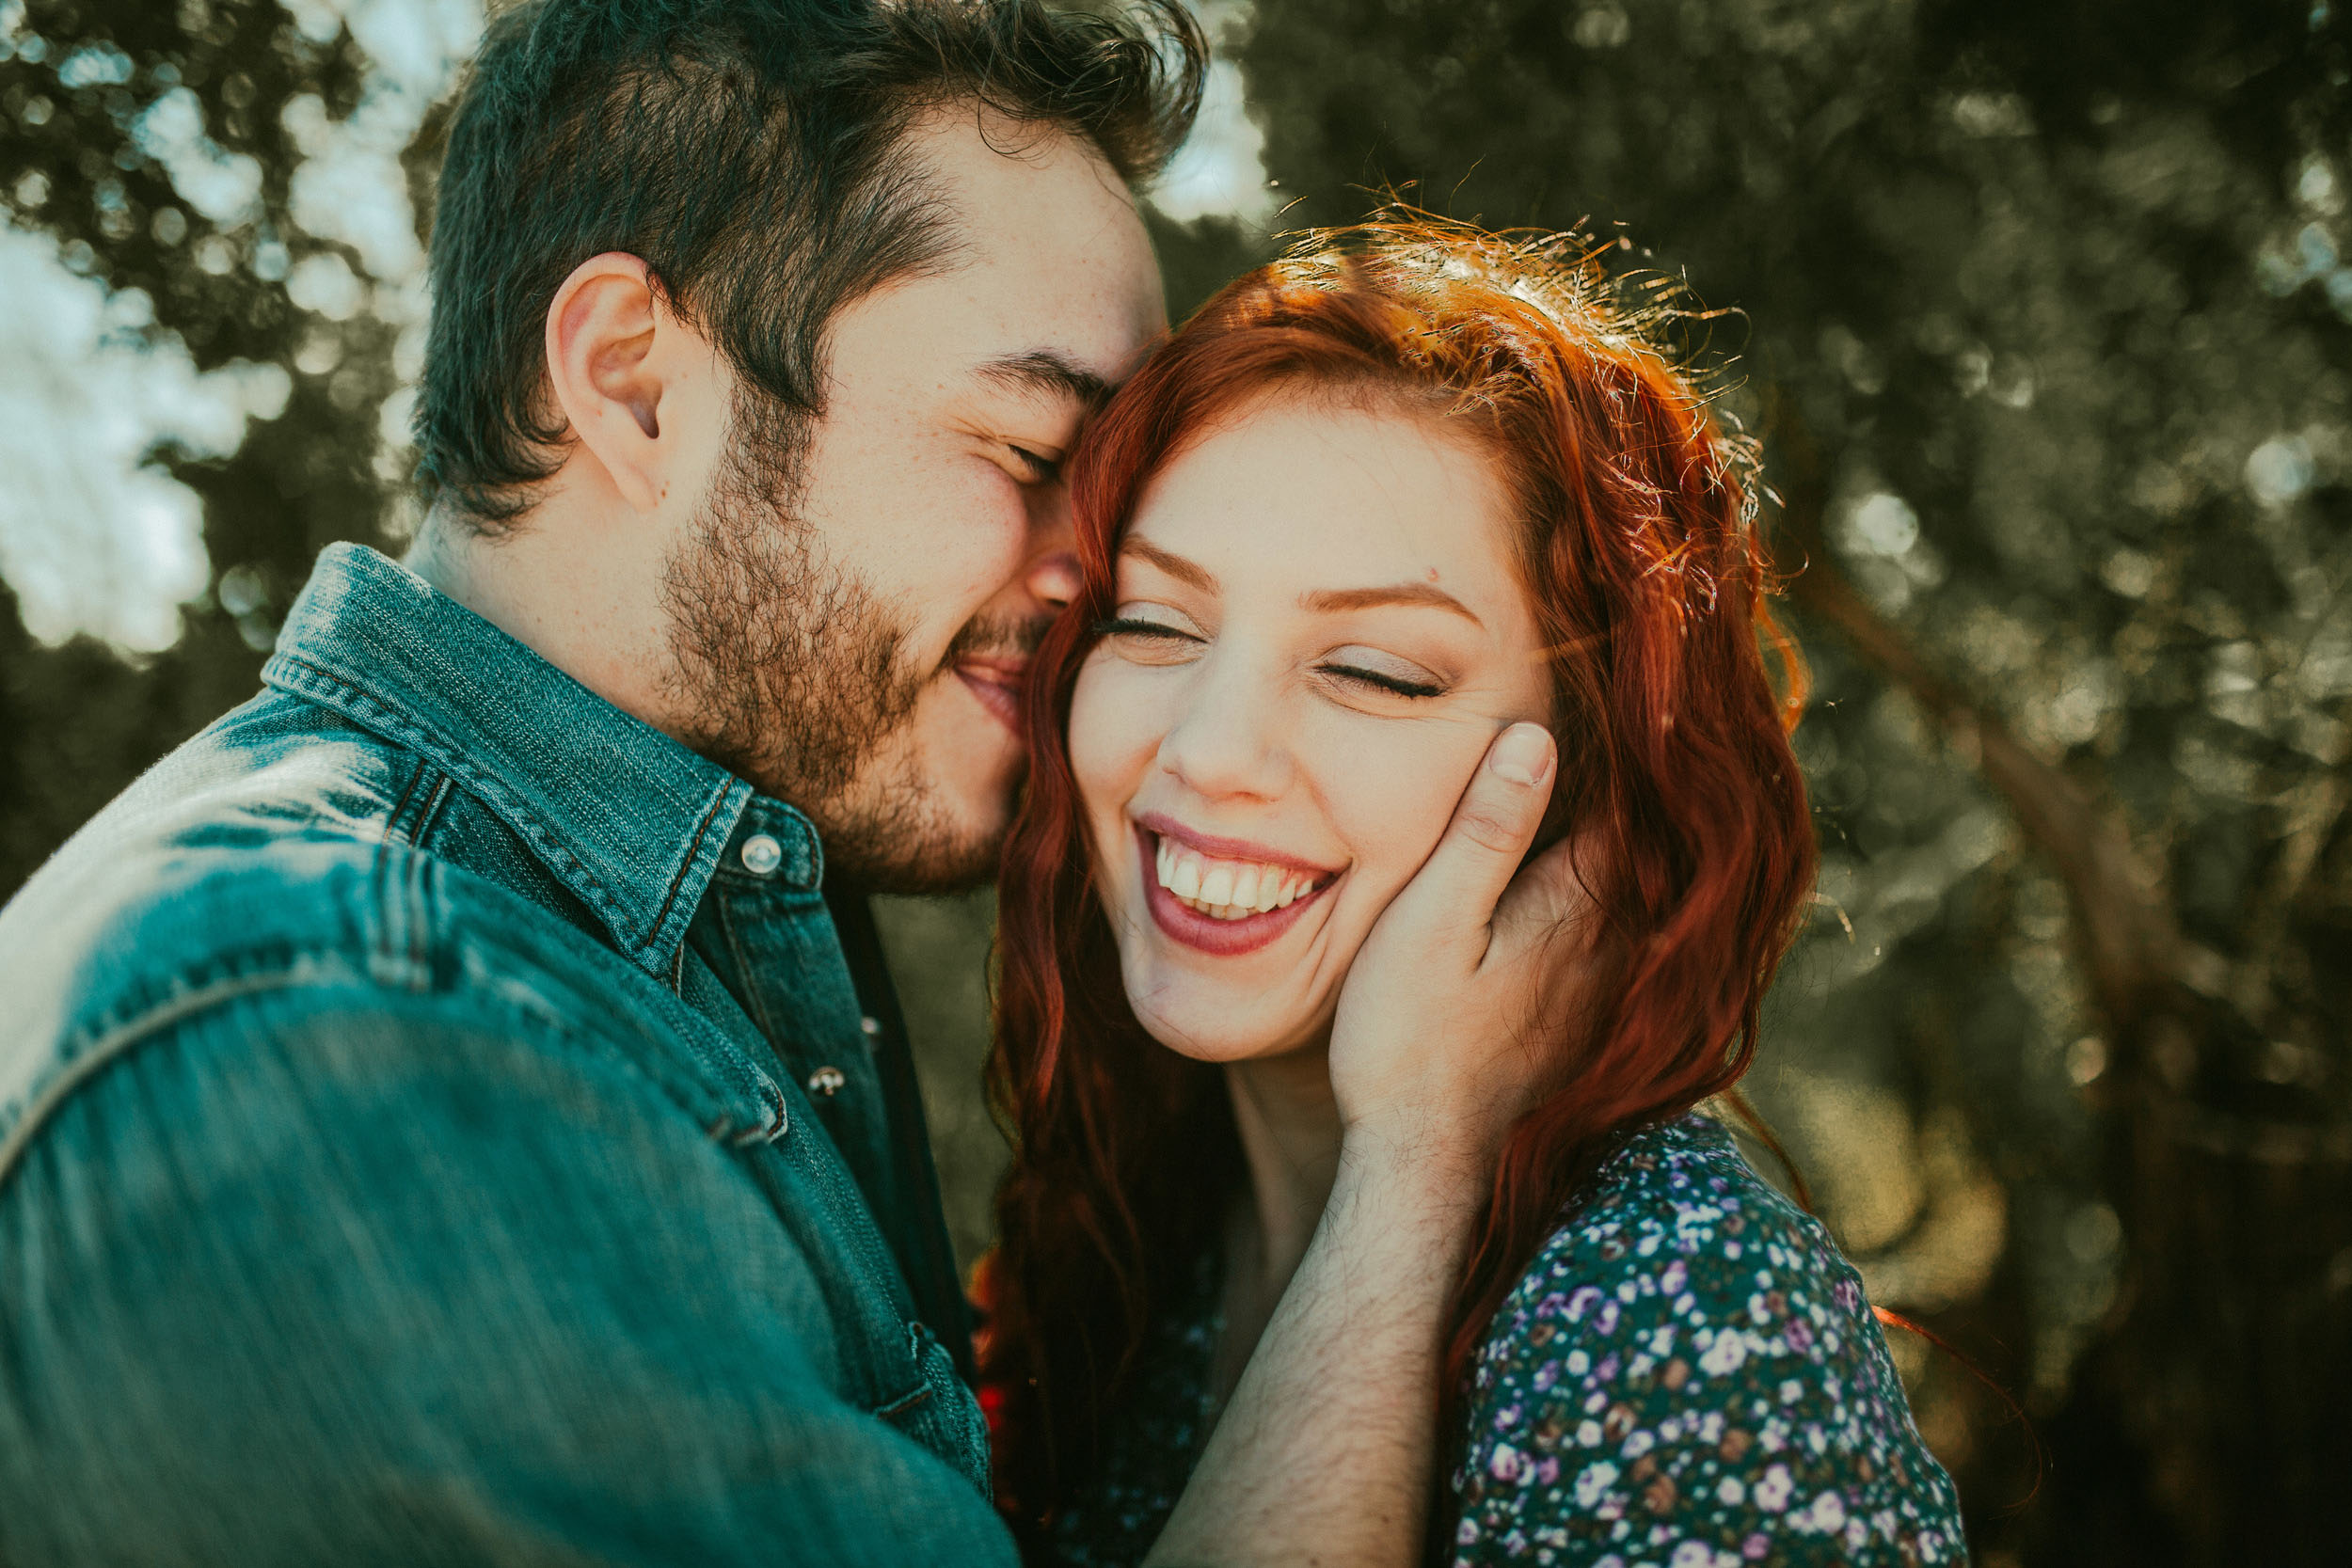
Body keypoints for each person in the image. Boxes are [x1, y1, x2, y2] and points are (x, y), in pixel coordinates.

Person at [0, 8, 1571, 1564]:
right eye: (1035, 452)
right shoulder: (355, 1052)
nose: (1099, 581)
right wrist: (1416, 1166)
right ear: (633, 385)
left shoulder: (654, 925)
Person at [979, 220, 1973, 1566]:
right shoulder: (1142, 1246)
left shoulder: (1677, 1318)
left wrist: (1415, 1167)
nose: (1206, 750)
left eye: (1378, 671)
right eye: (1154, 624)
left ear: (1593, 788)